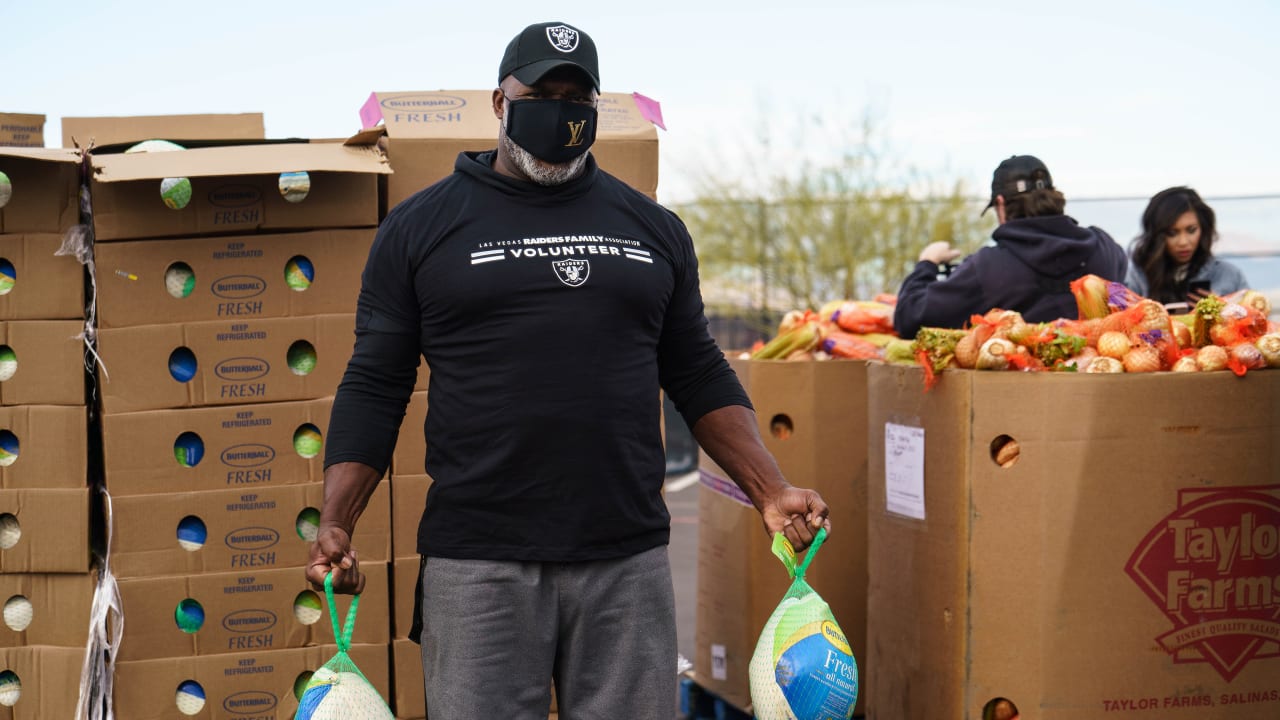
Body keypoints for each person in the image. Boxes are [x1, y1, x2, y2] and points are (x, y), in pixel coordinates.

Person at [304, 20, 832, 720]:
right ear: (500, 103)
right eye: (541, 93)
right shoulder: (421, 227)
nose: (561, 112)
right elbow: (376, 381)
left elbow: (698, 370)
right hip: (479, 560)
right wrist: (339, 521)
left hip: (626, 556)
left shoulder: (653, 228)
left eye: (576, 98)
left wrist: (769, 489)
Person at [893, 155, 1128, 339]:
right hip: (1099, 388)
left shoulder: (988, 267)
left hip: (1019, 395)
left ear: (1001, 203)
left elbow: (911, 318)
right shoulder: (1105, 248)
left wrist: (927, 264)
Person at [1124, 186, 1248, 305]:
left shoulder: (1228, 275)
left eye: (1191, 230)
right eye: (1172, 233)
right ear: (1157, 236)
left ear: (1204, 229)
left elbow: (1256, 321)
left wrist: (1224, 311)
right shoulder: (1137, 277)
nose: (1183, 242)